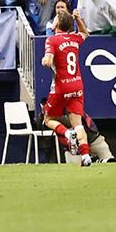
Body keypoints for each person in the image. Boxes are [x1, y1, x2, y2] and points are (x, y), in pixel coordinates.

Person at [41, 10, 92, 165]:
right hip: (77, 84)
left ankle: (67, 134)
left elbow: (48, 61)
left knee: (48, 119)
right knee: (78, 123)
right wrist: (78, 18)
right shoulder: (75, 38)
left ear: (57, 24)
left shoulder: (52, 40)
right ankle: (85, 156)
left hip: (61, 86)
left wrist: (45, 60)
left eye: (55, 18)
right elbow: (85, 33)